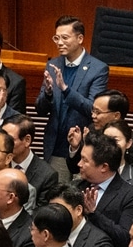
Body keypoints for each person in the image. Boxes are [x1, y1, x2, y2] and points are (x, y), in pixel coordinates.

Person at [35, 15, 110, 181]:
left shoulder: (97, 69)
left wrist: (65, 89)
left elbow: (93, 109)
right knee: (56, 199)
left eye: (65, 38)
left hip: (83, 148)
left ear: (80, 38)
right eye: (56, 38)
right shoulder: (52, 64)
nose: (59, 42)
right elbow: (40, 110)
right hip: (55, 147)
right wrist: (48, 93)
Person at [79, 130, 133, 247]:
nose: (79, 164)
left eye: (85, 160)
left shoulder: (129, 196)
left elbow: (126, 238)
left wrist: (94, 214)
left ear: (104, 167)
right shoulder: (78, 187)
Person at [103, 120, 133, 196]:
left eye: (115, 140)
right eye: (105, 140)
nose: (110, 145)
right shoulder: (92, 169)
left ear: (128, 143)